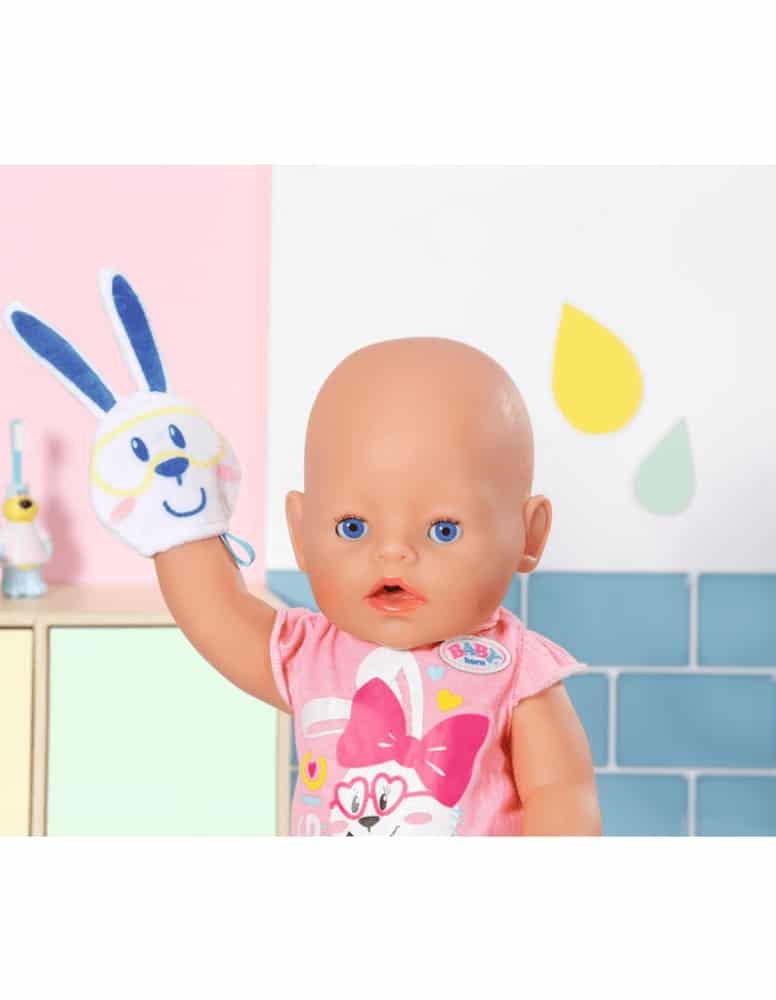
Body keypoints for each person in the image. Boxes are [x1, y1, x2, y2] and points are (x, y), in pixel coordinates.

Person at [155, 337, 601, 836]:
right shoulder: (311, 655)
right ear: (300, 533)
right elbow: (217, 613)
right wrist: (175, 517)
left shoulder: (517, 670)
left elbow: (561, 793)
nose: (393, 553)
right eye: (353, 527)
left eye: (443, 530)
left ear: (528, 535)